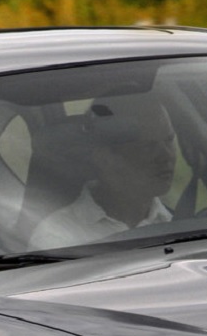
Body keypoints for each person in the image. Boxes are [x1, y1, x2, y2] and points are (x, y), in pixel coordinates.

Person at [29, 98, 179, 249]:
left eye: (169, 140)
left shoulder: (181, 224)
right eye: (148, 146)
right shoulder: (57, 237)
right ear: (105, 158)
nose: (166, 156)